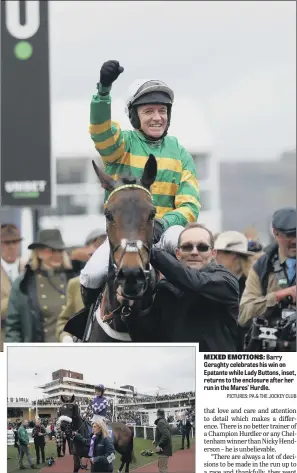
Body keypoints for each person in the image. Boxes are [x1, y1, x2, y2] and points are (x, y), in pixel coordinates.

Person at [80, 60, 201, 301]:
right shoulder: (120, 145)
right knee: (91, 276)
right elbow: (99, 130)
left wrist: (162, 225)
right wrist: (103, 91)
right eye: (149, 111)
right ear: (135, 117)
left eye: (162, 111)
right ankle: (83, 333)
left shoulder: (180, 153)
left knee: (197, 263)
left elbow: (190, 206)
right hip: (126, 234)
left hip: (165, 234)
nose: (157, 118)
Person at [145, 223, 239, 349]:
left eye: (202, 247)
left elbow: (196, 283)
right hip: (177, 366)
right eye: (187, 247)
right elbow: (148, 339)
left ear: (213, 253)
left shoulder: (225, 280)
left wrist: (149, 249)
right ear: (177, 253)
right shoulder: (165, 288)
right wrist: (130, 309)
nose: (194, 252)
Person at [5, 229, 78, 343]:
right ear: (38, 253)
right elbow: (13, 327)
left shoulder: (74, 280)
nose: (56, 254)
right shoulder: (24, 284)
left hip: (71, 348)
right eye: (50, 250)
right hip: (37, 351)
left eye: (59, 250)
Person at [239, 207, 296, 329]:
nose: (295, 241)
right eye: (290, 235)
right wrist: (277, 297)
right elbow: (244, 314)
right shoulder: (263, 266)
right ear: (275, 232)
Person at [215, 231, 263, 349]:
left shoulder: (252, 285)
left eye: (218, 252)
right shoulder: (216, 281)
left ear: (233, 255)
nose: (214, 256)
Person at [56, 229, 106, 342]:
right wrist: (66, 338)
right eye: (92, 253)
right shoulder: (75, 284)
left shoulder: (123, 285)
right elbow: (64, 321)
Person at [1, 224, 24, 350]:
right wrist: (17, 298)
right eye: (6, 243)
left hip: (28, 340)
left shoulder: (28, 268)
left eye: (15, 242)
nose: (11, 247)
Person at [153, 409, 172, 473]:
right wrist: (156, 440)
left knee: (162, 469)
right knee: (162, 467)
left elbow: (166, 435)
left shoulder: (160, 422)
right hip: (165, 449)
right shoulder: (164, 421)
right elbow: (164, 434)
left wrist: (159, 445)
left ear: (157, 414)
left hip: (163, 449)